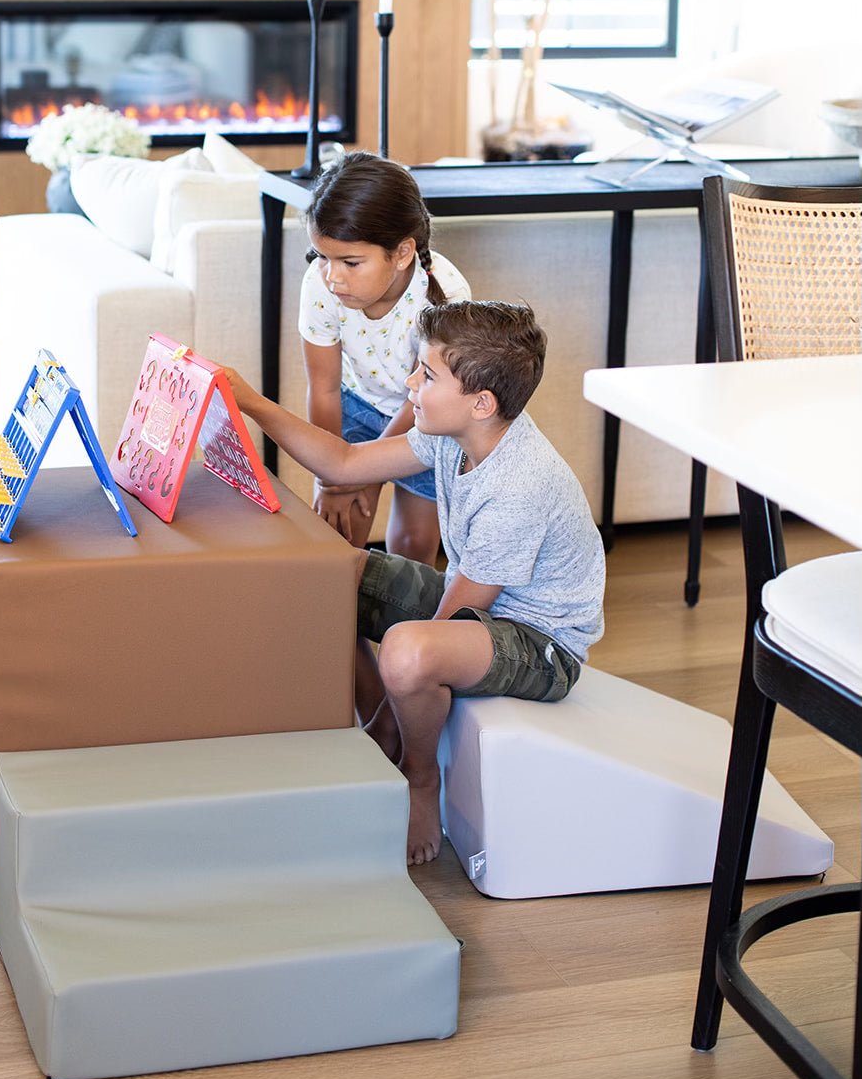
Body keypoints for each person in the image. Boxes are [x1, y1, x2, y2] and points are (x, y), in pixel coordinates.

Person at [224, 299, 605, 868]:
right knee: (329, 574)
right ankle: (371, 731)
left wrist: (387, 719)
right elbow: (345, 463)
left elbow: (457, 617)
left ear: (481, 403)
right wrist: (248, 401)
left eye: (426, 375)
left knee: (406, 653)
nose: (409, 386)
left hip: (541, 644)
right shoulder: (457, 434)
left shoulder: (519, 486)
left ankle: (417, 776)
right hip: (480, 610)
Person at [298, 151, 471, 564]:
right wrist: (333, 475)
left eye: (350, 262)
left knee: (413, 548)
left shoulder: (445, 295)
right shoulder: (321, 286)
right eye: (323, 257)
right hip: (356, 407)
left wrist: (360, 466)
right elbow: (322, 388)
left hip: (426, 420)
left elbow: (422, 397)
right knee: (339, 536)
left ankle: (402, 630)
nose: (332, 276)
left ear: (402, 253)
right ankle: (341, 630)